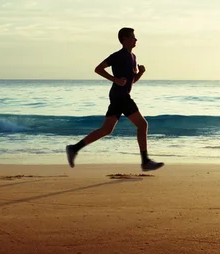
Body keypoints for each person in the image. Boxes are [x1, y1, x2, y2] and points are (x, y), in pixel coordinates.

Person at [65, 27, 164, 171]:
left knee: (106, 129)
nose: (135, 40)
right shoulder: (117, 56)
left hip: (120, 96)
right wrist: (115, 80)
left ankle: (74, 148)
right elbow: (98, 69)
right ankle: (145, 161)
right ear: (124, 40)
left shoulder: (133, 57)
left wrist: (140, 73)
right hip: (120, 96)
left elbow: (131, 81)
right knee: (142, 125)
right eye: (132, 37)